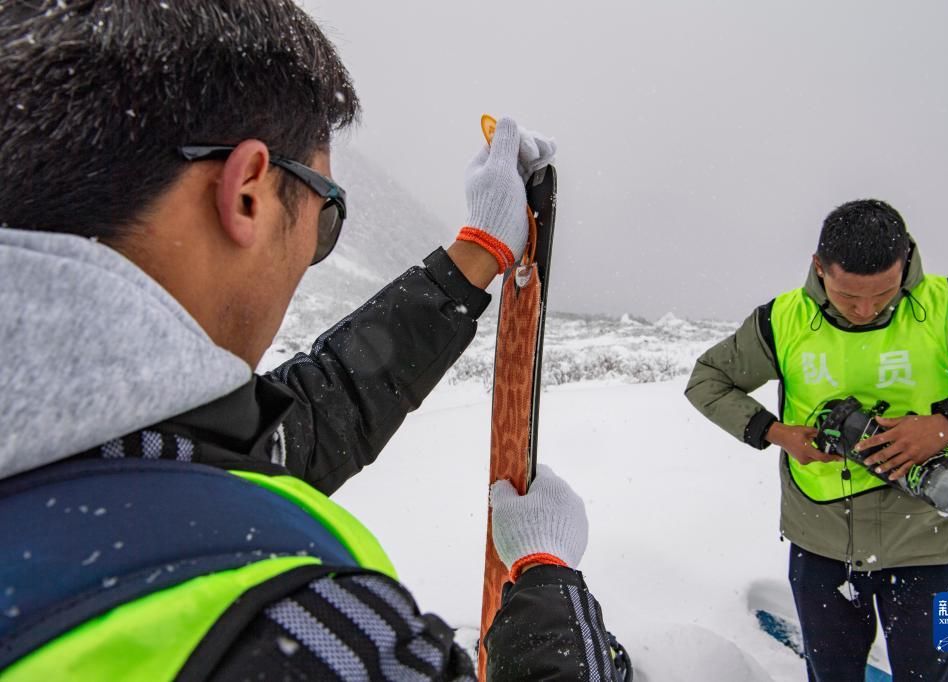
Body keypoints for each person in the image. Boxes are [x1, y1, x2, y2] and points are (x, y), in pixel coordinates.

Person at [0, 2, 624, 680]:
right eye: (327, 214)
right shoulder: (302, 636)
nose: (309, 253)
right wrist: (545, 579)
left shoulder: (83, 439)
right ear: (248, 193)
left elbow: (292, 429)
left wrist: (475, 254)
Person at [685, 199, 948, 681]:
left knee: (946, 664)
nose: (866, 310)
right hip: (820, 546)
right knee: (831, 674)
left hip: (933, 543)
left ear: (905, 263)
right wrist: (778, 433)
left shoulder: (946, 305)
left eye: (884, 293)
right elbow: (707, 379)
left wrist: (946, 424)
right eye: (848, 297)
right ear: (819, 268)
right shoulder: (783, 318)